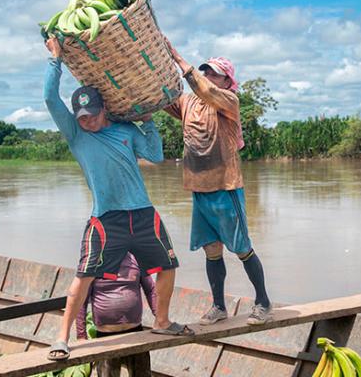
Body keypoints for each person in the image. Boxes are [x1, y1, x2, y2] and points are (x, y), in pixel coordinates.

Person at [42, 37, 193, 361]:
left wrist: (149, 122)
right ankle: (62, 338)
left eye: (92, 115)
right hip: (106, 218)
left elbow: (155, 155)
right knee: (84, 276)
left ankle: (162, 321)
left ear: (104, 110)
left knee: (168, 266)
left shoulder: (125, 130)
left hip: (142, 213)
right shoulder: (76, 135)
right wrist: (55, 60)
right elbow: (49, 98)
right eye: (81, 116)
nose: (87, 121)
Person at [164, 39, 273, 326]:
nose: (209, 76)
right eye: (206, 72)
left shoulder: (228, 101)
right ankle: (219, 307)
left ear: (227, 81)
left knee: (242, 248)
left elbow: (206, 90)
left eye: (215, 74)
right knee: (211, 250)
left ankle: (263, 302)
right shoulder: (188, 103)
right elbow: (163, 98)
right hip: (199, 189)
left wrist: (179, 59)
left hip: (226, 188)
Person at [76, 253, 156, 376]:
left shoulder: (137, 258)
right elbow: (81, 299)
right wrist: (81, 336)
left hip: (135, 333)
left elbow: (150, 289)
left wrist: (159, 316)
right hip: (106, 337)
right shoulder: (93, 262)